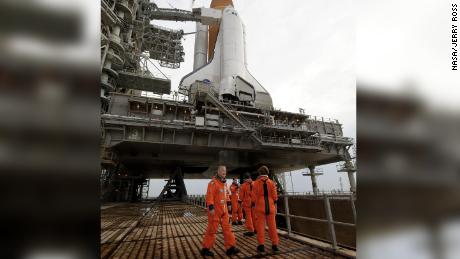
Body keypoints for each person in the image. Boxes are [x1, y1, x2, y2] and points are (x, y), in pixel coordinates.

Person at [201, 165, 240, 257]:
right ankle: (205, 249)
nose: (224, 172)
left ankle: (230, 248)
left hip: (224, 211)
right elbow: (209, 196)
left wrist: (229, 204)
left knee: (228, 230)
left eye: (225, 171)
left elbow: (226, 195)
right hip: (215, 212)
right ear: (218, 171)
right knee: (212, 231)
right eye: (222, 170)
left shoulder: (224, 183)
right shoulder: (213, 183)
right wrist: (211, 207)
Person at [251, 165, 279, 253]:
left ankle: (261, 245)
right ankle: (275, 245)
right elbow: (275, 197)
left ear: (259, 173)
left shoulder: (256, 183)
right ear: (267, 173)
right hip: (270, 207)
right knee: (272, 227)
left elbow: (254, 197)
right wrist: (274, 206)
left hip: (260, 207)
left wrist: (253, 205)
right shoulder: (272, 183)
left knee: (260, 227)